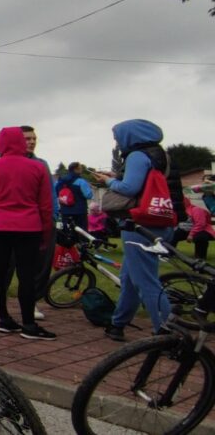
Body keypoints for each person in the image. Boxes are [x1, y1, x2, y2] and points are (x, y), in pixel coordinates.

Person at [93, 119, 181, 341]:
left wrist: (109, 182)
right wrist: (118, 177)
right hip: (160, 220)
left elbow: (130, 188)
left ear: (130, 136)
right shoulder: (160, 155)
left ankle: (167, 333)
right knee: (130, 277)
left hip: (138, 224)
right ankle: (118, 324)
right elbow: (146, 183)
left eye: (117, 137)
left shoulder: (136, 156)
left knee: (146, 281)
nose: (117, 142)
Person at [0, 126, 56, 341]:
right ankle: (29, 324)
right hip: (29, 227)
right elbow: (46, 205)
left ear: (0, 143)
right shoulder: (37, 167)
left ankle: (4, 319)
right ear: (21, 142)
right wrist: (46, 233)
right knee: (26, 275)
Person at [55, 162, 94, 231]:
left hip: (65, 211)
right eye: (80, 168)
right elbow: (88, 195)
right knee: (82, 232)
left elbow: (56, 192)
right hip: (80, 211)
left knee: (67, 232)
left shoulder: (60, 181)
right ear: (76, 169)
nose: (81, 170)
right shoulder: (81, 181)